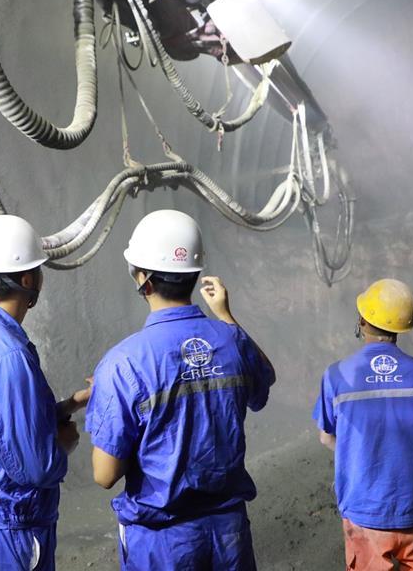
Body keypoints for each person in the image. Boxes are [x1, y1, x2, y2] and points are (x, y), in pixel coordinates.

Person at [85, 209, 276, 571]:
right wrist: (225, 316)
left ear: (143, 279)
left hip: (163, 542)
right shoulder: (231, 340)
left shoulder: (123, 363)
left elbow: (105, 475)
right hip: (229, 535)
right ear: (194, 273)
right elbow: (261, 385)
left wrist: (118, 408)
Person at [0, 215, 91, 571]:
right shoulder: (7, 358)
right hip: (10, 536)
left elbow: (0, 425)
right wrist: (63, 444)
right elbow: (37, 469)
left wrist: (70, 404)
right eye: (39, 270)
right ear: (28, 279)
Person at [314, 278, 413, 571]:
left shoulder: (336, 376)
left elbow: (326, 438)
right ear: (403, 326)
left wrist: (357, 457)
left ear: (362, 320)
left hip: (364, 512)